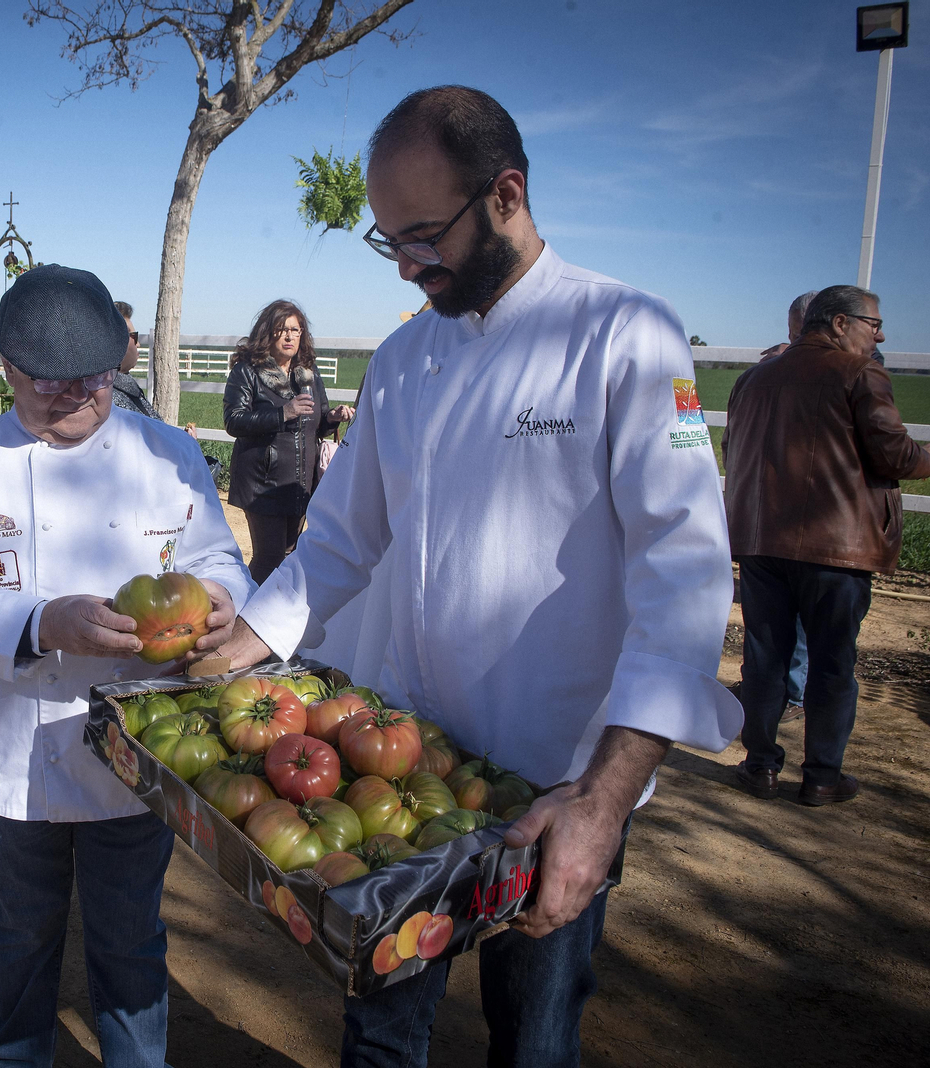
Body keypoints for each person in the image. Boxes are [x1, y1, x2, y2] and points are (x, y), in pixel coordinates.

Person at [214, 86, 742, 1068]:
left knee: (534, 1038)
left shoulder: (628, 337)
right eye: (388, 242)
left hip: (554, 786)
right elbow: (336, 537)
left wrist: (604, 798)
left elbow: (683, 575)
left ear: (506, 193)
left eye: (423, 233)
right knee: (380, 1029)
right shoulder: (406, 356)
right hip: (399, 768)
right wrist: (235, 647)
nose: (409, 266)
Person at [0, 264, 254, 1068]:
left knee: (131, 937)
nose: (71, 398)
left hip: (139, 753)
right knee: (21, 933)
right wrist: (42, 621)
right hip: (12, 757)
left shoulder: (167, 454)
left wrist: (220, 596)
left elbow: (223, 562)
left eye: (91, 381)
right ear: (6, 368)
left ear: (118, 364)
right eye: (44, 382)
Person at [724, 285, 930, 806]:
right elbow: (895, 455)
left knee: (764, 657)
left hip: (761, 542)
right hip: (835, 549)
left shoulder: (752, 380)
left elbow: (736, 450)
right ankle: (821, 777)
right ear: (839, 323)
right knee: (833, 662)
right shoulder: (859, 373)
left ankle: (760, 766)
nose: (880, 334)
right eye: (874, 323)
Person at [222, 300, 354, 583]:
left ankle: (274, 619)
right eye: (281, 330)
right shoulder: (247, 371)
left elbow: (315, 424)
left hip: (299, 482)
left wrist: (333, 417)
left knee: (291, 553)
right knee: (269, 558)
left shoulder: (308, 373)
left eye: (296, 330)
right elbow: (234, 420)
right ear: (266, 333)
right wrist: (283, 413)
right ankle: (245, 616)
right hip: (262, 482)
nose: (290, 336)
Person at [753, 290, 822, 721]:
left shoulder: (765, 373)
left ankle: (776, 703)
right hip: (816, 520)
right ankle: (794, 695)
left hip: (770, 514)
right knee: (803, 620)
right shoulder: (857, 374)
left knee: (771, 622)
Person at [111, 300, 158, 418]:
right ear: (117, 341)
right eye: (134, 337)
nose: (138, 345)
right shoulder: (110, 398)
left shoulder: (124, 385)